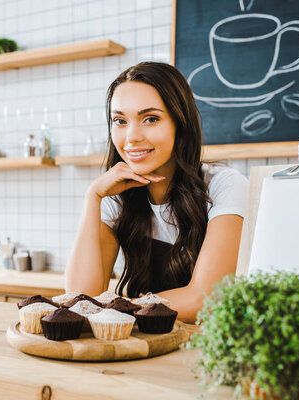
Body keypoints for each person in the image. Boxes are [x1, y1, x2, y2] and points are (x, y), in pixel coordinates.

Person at [65, 62, 248, 323]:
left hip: (209, 349)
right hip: (144, 347)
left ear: (180, 122)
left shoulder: (224, 186)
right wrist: (92, 197)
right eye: (120, 121)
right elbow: (80, 300)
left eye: (150, 119)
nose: (132, 137)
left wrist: (115, 309)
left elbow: (204, 299)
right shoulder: (114, 197)